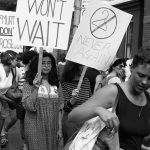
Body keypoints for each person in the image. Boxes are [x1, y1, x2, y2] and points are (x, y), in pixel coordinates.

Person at [68, 48, 150, 150]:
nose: (145, 82)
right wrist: (98, 110)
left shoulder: (147, 98)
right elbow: (72, 116)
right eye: (141, 75)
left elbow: (134, 137)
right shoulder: (114, 92)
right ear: (132, 67)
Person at [22, 51, 63, 150]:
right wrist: (36, 88)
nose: (46, 66)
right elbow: (28, 105)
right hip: (34, 126)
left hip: (52, 127)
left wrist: (60, 129)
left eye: (49, 63)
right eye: (43, 63)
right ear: (37, 65)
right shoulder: (29, 83)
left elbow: (60, 107)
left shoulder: (56, 83)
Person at [61, 61, 92, 145]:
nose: (84, 68)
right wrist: (73, 99)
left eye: (85, 66)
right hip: (71, 121)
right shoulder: (65, 83)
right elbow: (64, 107)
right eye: (81, 65)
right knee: (70, 145)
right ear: (74, 66)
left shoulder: (86, 81)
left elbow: (90, 100)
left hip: (84, 120)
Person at [0, 50, 18, 148]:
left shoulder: (13, 71)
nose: (17, 61)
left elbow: (8, 89)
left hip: (3, 100)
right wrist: (11, 100)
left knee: (2, 121)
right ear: (10, 60)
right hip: (4, 99)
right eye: (16, 59)